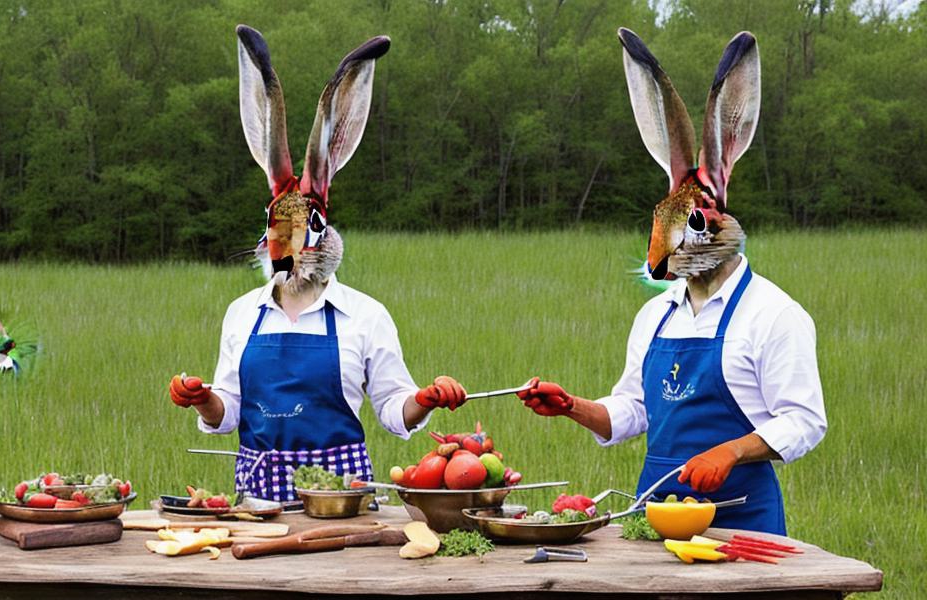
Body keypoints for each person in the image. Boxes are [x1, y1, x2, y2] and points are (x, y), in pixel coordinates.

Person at [518, 29, 826, 535]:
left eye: (692, 228)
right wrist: (573, 407)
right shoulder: (655, 315)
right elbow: (632, 410)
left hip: (741, 524)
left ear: (721, 219)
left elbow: (804, 420)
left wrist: (730, 451)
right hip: (653, 521)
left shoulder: (774, 314)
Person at [167, 26, 467, 503]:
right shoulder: (242, 314)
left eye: (303, 230)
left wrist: (424, 399)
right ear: (270, 237)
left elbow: (394, 409)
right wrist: (202, 399)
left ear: (323, 233)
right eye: (281, 231)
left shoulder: (365, 316)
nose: (291, 243)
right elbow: (227, 415)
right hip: (258, 506)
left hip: (346, 503)